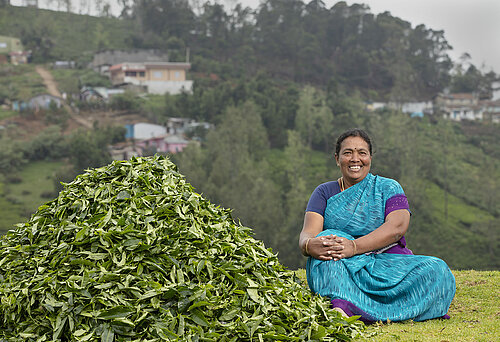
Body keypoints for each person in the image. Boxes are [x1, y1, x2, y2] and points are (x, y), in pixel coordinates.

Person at [299, 128, 455, 322]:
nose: (355, 159)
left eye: (362, 153)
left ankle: (369, 307)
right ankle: (342, 306)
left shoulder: (388, 187)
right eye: (348, 153)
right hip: (342, 265)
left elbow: (397, 227)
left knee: (437, 269)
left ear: (370, 157)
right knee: (329, 241)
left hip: (386, 265)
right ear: (337, 159)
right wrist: (308, 245)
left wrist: (354, 247)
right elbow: (308, 233)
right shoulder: (323, 192)